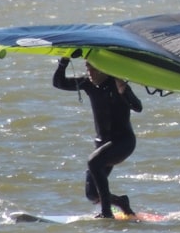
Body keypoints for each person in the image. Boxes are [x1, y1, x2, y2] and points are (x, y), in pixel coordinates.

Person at [53, 56, 143, 218]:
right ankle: (121, 202)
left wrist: (125, 91)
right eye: (88, 68)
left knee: (93, 162)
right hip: (102, 145)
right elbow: (58, 83)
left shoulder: (117, 85)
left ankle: (106, 213)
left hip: (123, 142)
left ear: (105, 70)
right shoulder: (88, 84)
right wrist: (64, 61)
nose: (90, 72)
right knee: (92, 195)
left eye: (94, 69)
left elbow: (138, 107)